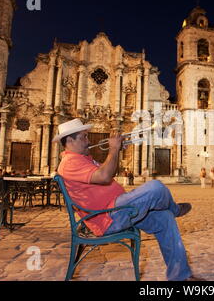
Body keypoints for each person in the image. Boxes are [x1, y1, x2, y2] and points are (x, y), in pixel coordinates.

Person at [53, 118, 200, 281]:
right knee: (156, 187)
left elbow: (107, 172)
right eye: (84, 137)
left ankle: (180, 277)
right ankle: (175, 209)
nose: (88, 141)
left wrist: (116, 152)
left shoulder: (82, 158)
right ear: (70, 140)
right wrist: (113, 150)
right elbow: (104, 176)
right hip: (109, 216)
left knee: (165, 218)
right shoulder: (70, 162)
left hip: (119, 209)